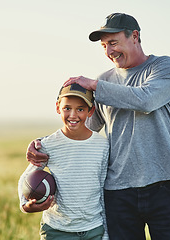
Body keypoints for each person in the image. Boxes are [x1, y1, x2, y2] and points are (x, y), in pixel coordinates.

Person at [27, 13, 170, 240]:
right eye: (104, 46)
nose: (109, 51)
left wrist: (94, 85)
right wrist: (42, 144)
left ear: (135, 36)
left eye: (113, 43)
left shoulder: (163, 67)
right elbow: (84, 129)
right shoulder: (105, 80)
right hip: (118, 192)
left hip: (163, 186)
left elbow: (145, 100)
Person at [18, 83, 110, 240]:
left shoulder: (102, 146)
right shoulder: (47, 145)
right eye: (67, 108)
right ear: (57, 107)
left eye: (80, 109)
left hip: (93, 229)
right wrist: (25, 205)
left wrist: (105, 233)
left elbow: (102, 190)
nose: (73, 115)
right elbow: (25, 178)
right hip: (57, 230)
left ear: (91, 111)